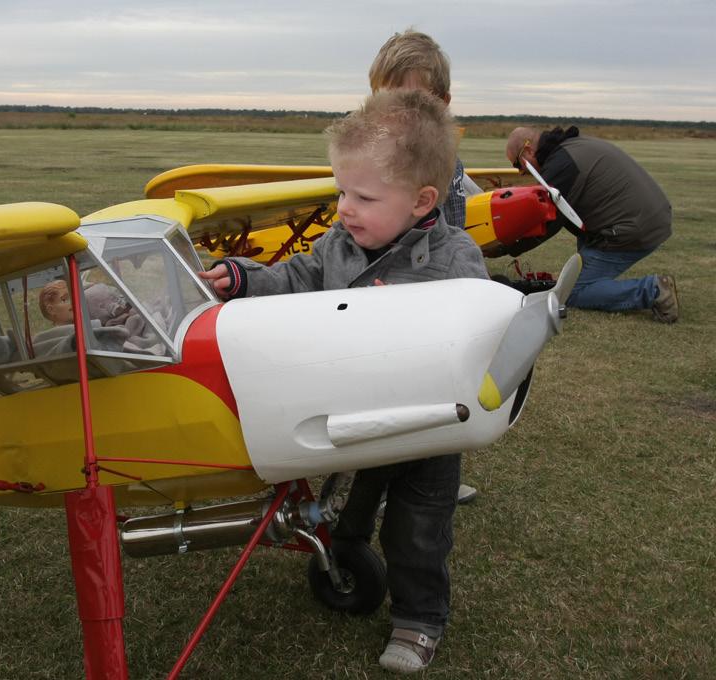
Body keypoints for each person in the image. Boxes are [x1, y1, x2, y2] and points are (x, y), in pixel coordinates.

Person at [200, 89, 488, 674]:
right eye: (340, 191)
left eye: (362, 196)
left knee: (418, 530)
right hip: (354, 415)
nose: (344, 208)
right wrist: (242, 278)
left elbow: (481, 329)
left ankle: (419, 621)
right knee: (351, 499)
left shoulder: (455, 258)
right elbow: (295, 278)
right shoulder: (338, 245)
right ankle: (347, 551)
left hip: (426, 425)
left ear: (421, 201)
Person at [369, 28, 478, 506]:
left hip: (437, 294)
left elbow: (459, 222)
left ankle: (436, 476)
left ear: (444, 102)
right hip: (386, 296)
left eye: (413, 102)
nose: (400, 117)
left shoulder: (448, 164)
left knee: (441, 387)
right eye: (389, 101)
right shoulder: (372, 159)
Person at [505, 126, 679, 322]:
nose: (520, 172)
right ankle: (597, 281)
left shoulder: (561, 165)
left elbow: (547, 223)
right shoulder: (570, 149)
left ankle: (654, 290)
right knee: (576, 272)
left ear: (528, 151)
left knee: (572, 291)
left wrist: (506, 247)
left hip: (634, 227)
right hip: (647, 217)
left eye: (518, 165)